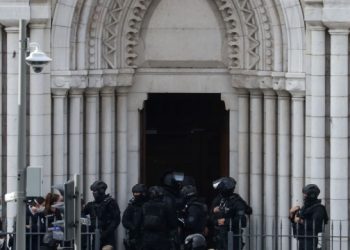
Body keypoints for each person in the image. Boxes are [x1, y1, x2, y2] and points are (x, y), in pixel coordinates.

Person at [211, 177, 252, 250]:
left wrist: (226, 221)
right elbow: (211, 217)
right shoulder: (219, 199)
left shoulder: (237, 202)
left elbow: (242, 221)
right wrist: (214, 213)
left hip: (232, 237)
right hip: (219, 237)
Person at [82, 180, 120, 250]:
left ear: (101, 191)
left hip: (107, 236)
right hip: (94, 235)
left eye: (95, 191)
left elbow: (116, 220)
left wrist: (106, 233)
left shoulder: (110, 202)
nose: (93, 193)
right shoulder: (91, 205)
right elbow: (81, 214)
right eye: (93, 192)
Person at [289, 184, 328, 250]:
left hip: (310, 239)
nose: (304, 196)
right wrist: (292, 214)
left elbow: (315, 225)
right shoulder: (306, 206)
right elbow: (294, 220)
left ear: (311, 195)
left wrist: (300, 220)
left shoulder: (319, 208)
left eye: (305, 194)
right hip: (302, 238)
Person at [141, 186, 177, 250]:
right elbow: (172, 223)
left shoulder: (144, 206)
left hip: (146, 238)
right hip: (161, 238)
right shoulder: (165, 206)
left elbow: (139, 221)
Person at [122, 184, 148, 250]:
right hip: (135, 236)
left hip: (147, 236)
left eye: (138, 193)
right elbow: (125, 220)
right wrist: (133, 227)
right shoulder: (132, 206)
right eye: (134, 193)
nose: (136, 195)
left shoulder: (149, 205)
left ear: (143, 193)